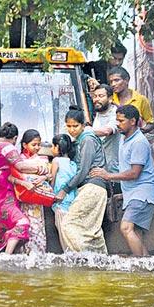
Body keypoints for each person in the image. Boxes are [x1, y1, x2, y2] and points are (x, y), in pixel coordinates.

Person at [91, 105, 154, 256]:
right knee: (136, 233)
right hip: (134, 193)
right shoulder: (124, 137)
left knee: (126, 228)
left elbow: (135, 173)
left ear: (133, 121)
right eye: (117, 120)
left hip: (142, 193)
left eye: (121, 121)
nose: (118, 124)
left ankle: (140, 264)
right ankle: (147, 267)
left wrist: (108, 175)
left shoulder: (139, 142)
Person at [0, 122, 50, 254]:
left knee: (7, 225)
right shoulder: (7, 148)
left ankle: (2, 254)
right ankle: (6, 257)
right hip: (0, 195)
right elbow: (20, 166)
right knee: (22, 223)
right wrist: (42, 169)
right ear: (15, 139)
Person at [54, 106, 109, 253]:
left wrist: (65, 190)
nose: (72, 130)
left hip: (93, 187)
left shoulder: (88, 140)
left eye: (75, 126)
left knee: (69, 224)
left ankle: (83, 259)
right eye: (69, 126)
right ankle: (101, 260)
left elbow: (83, 170)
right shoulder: (79, 141)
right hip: (91, 188)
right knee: (92, 230)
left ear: (83, 125)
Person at [11, 129, 50, 254]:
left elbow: (49, 174)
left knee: (37, 228)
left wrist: (43, 177)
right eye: (34, 145)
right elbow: (12, 176)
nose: (37, 147)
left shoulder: (42, 159)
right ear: (24, 145)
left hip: (37, 200)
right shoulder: (18, 160)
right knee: (25, 227)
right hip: (22, 200)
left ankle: (38, 255)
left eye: (39, 144)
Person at [107, 66, 154, 136]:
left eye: (116, 80)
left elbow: (151, 123)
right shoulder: (109, 99)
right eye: (111, 82)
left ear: (126, 80)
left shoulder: (140, 99)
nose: (113, 84)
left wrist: (138, 132)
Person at [50, 133, 78, 237]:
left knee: (62, 229)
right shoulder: (73, 164)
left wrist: (50, 193)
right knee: (69, 229)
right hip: (71, 199)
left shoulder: (56, 161)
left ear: (57, 147)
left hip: (59, 200)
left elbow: (52, 180)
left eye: (52, 146)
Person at [91, 84, 119, 174]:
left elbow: (107, 131)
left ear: (110, 98)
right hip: (100, 169)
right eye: (95, 96)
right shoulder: (99, 113)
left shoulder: (116, 114)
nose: (96, 99)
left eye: (101, 96)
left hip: (115, 171)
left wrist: (84, 131)